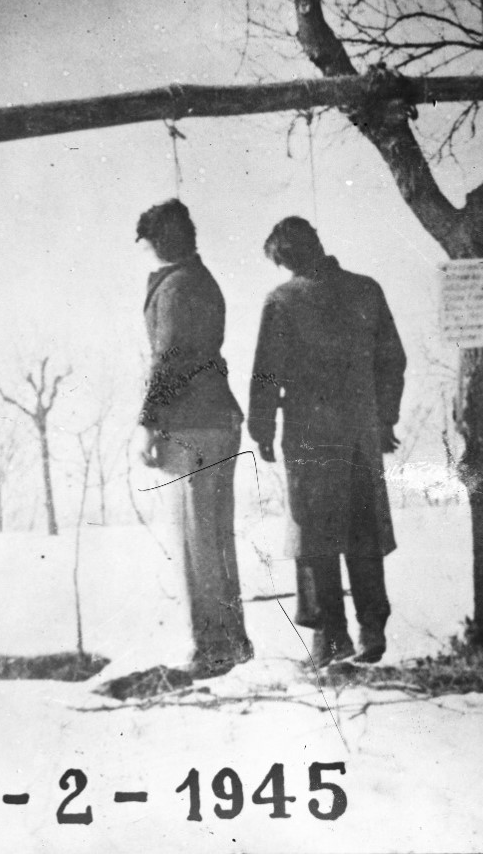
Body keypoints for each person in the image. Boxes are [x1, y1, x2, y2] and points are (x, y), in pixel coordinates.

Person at [248, 217, 406, 666]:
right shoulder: (366, 289)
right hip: (360, 433)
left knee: (315, 537)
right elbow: (393, 360)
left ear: (285, 258)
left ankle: (331, 639)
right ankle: (371, 629)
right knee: (364, 532)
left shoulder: (282, 299)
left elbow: (265, 372)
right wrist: (385, 418)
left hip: (309, 435)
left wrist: (261, 429)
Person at [135, 198, 253, 677]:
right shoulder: (199, 279)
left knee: (197, 540)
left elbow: (169, 360)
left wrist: (148, 423)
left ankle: (214, 647)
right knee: (213, 537)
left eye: (147, 243)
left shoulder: (180, 286)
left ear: (161, 242)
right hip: (215, 419)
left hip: (193, 423)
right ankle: (230, 641)